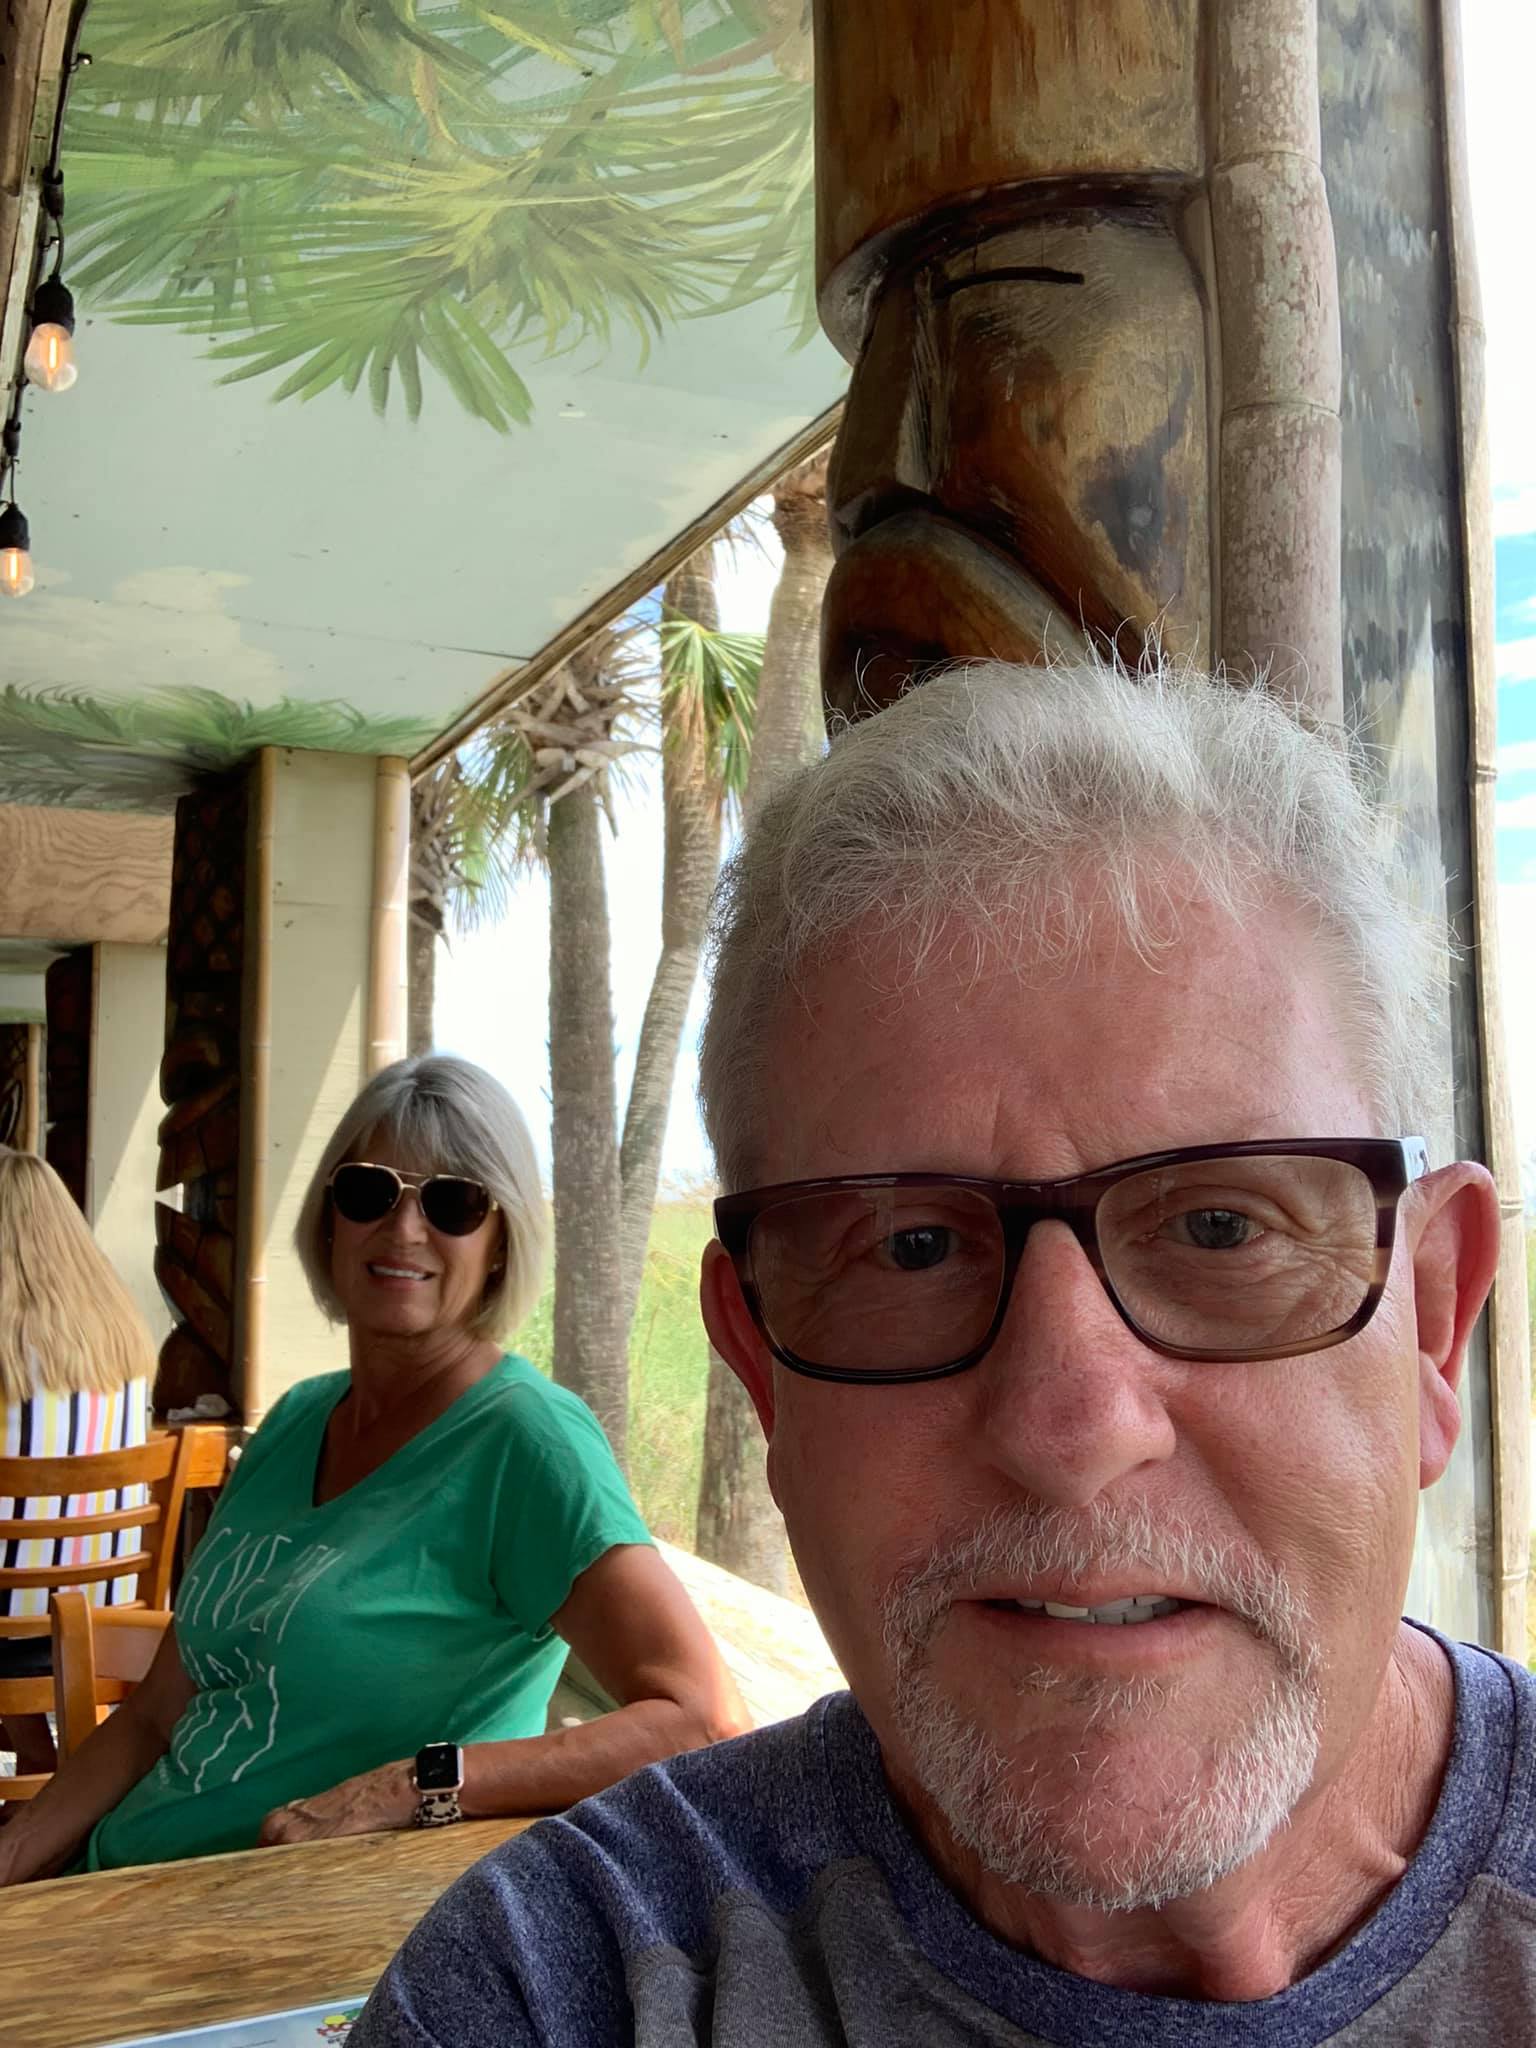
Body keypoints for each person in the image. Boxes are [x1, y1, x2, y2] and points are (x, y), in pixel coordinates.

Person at [354, 659, 1531, 2047]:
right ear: (760, 1369)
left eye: (1221, 1227)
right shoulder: (560, 1993)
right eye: (910, 1249)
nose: (1072, 1426)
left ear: (1435, 1321)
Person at [0, 1055, 746, 1880]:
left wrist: (410, 1786)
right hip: (116, 1886)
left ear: (500, 1243)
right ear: (329, 1220)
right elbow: (152, 1716)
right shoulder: (296, 1421)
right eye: (369, 1192)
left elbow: (702, 1721)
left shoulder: (525, 1441)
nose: (404, 1229)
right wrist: (15, 1857)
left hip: (279, 1923)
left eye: (454, 1202)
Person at [0, 1147, 154, 1780]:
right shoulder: (122, 1342)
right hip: (103, 1621)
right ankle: (37, 1759)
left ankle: (31, 1763)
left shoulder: (10, 1354)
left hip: (12, 1630)